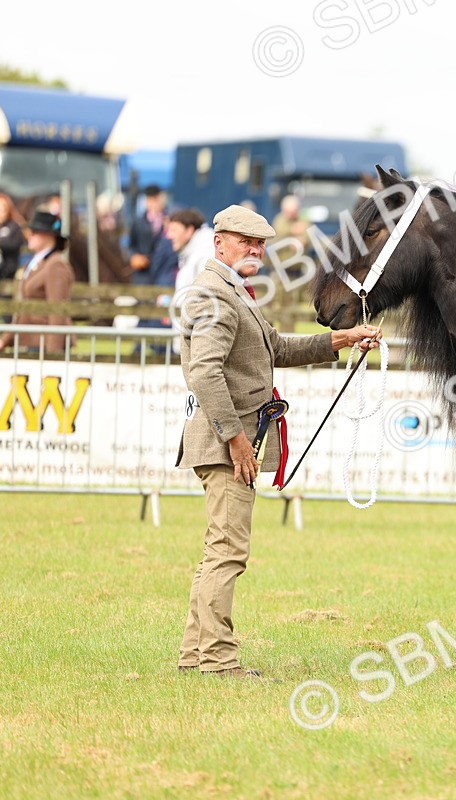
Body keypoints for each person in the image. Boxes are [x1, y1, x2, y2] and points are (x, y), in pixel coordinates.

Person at [175, 204, 380, 679]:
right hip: (227, 444)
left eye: (261, 244)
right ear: (219, 242)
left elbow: (278, 349)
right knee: (228, 552)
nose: (256, 250)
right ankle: (219, 661)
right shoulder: (214, 295)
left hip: (229, 440)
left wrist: (343, 339)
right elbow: (204, 372)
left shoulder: (234, 293)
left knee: (218, 550)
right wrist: (236, 440)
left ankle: (194, 655)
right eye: (246, 241)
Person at [0, 211, 75, 354]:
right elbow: (24, 311)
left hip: (45, 344)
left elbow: (57, 312)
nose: (29, 235)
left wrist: (53, 352)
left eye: (35, 231)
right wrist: (4, 340)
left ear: (49, 235)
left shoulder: (56, 265)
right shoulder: (35, 262)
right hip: (31, 341)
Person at [167, 209, 213, 293]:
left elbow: (207, 296)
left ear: (189, 230)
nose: (169, 236)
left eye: (174, 230)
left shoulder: (205, 255)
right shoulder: (194, 252)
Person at [128, 185, 168, 272]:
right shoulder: (138, 222)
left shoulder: (169, 219)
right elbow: (131, 244)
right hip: (142, 271)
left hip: (163, 270)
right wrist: (134, 256)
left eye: (155, 199)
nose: (153, 203)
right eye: (150, 199)